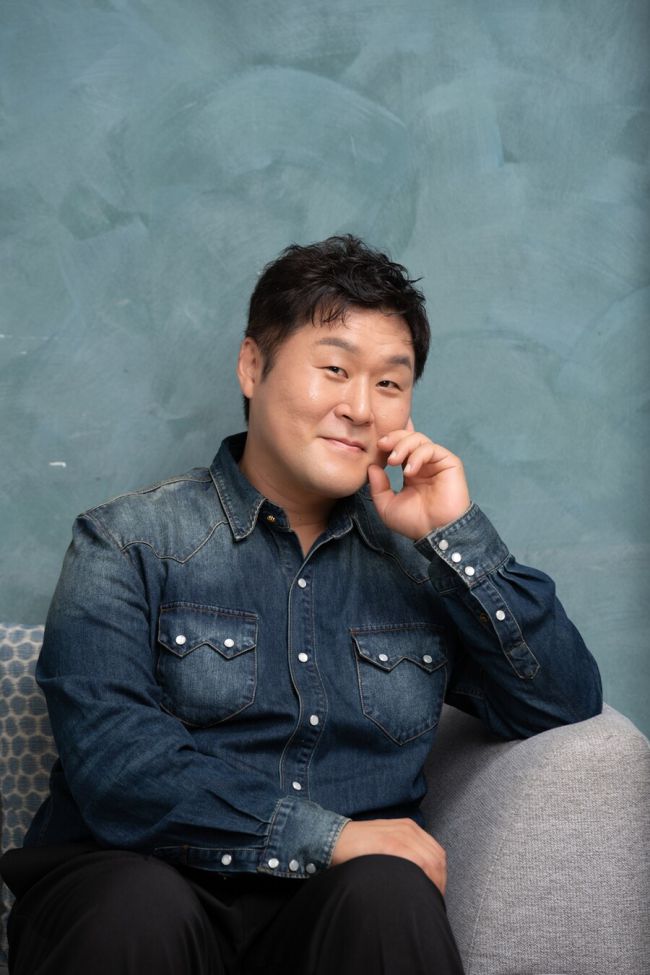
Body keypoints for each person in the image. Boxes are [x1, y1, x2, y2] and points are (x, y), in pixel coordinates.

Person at [0, 234, 603, 974]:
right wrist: (327, 836)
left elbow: (563, 703)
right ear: (253, 366)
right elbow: (118, 767)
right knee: (137, 906)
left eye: (390, 383)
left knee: (389, 893)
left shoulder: (420, 566)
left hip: (332, 914)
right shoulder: (125, 541)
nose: (360, 407)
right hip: (133, 887)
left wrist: (456, 535)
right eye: (335, 369)